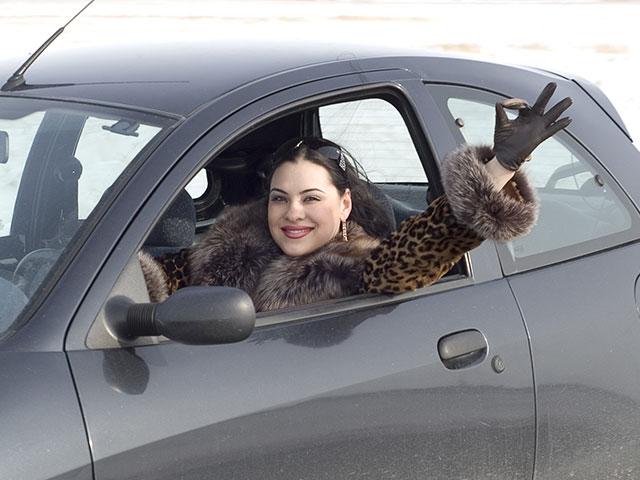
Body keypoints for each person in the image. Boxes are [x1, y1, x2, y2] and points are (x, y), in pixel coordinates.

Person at [140, 82, 572, 312]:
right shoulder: (227, 249)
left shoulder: (356, 267)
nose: (292, 213)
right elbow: (152, 279)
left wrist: (500, 167)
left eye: (311, 198)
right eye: (279, 198)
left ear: (344, 203)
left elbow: (417, 254)